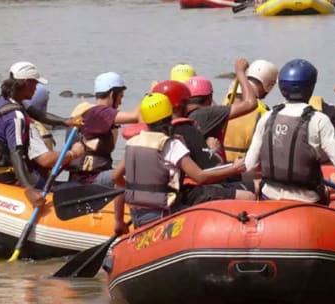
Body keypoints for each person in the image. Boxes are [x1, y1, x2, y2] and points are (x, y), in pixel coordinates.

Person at [112, 93, 250, 232]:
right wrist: (234, 169)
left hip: (137, 215)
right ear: (169, 115)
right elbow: (200, 176)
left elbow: (115, 177)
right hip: (163, 216)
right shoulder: (171, 145)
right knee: (209, 215)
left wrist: (129, 201)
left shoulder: (133, 143)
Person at [244, 58, 335, 203]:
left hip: (268, 196)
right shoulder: (319, 120)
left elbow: (250, 165)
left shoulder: (267, 117)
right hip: (307, 200)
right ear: (310, 87)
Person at [0, 62, 49, 205]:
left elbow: (39, 115)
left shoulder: (1, 101)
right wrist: (28, 188)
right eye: (35, 84)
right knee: (46, 181)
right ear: (26, 83)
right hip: (9, 175)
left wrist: (67, 121)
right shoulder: (16, 116)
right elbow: (15, 153)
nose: (36, 88)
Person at [66, 72, 141, 186]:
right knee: (134, 175)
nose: (121, 102)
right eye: (120, 96)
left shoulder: (88, 111)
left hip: (82, 177)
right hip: (91, 180)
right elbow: (135, 116)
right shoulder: (100, 113)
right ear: (112, 94)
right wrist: (151, 95)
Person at [186, 57, 257, 146]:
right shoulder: (207, 113)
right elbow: (250, 103)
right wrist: (240, 72)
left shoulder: (182, 113)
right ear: (209, 98)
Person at [223, 59, 279, 162]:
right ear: (269, 85)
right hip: (243, 169)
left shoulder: (226, 101)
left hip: (220, 164)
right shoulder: (263, 112)